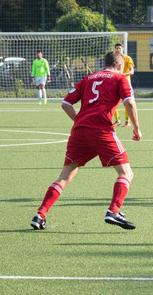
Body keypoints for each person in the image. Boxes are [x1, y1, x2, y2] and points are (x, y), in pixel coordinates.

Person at [30, 51, 142, 231]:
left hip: (79, 132)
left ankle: (40, 214)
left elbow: (66, 104)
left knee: (65, 176)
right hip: (102, 130)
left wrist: (79, 121)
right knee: (126, 173)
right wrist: (136, 126)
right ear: (121, 66)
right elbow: (130, 102)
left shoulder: (89, 78)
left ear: (104, 63)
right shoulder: (120, 79)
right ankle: (114, 210)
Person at [112, 43, 135, 127]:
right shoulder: (114, 59)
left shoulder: (127, 58)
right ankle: (117, 120)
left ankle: (127, 121)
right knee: (113, 102)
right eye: (116, 48)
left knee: (126, 102)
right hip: (116, 82)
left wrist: (123, 74)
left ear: (123, 49)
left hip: (125, 82)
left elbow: (132, 71)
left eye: (119, 48)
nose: (118, 49)